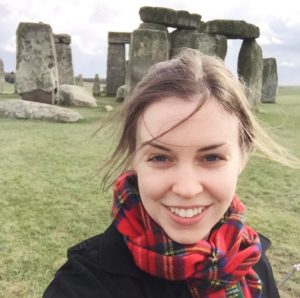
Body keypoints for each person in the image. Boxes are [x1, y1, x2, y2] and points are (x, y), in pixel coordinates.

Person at [43, 49, 298, 298]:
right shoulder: (83, 285)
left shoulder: (252, 260)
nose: (186, 189)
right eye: (160, 157)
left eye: (211, 157)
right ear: (135, 157)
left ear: (244, 155)